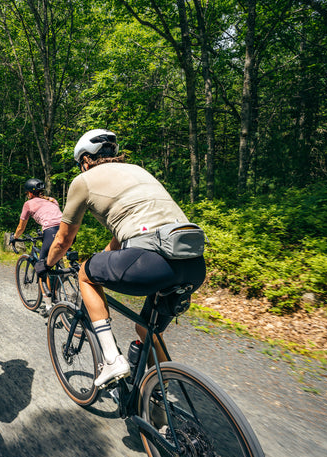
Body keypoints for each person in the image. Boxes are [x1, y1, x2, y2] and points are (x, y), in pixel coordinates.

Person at [39, 129, 206, 388]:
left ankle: (111, 360)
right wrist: (104, 258)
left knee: (85, 273)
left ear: (84, 160)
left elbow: (62, 240)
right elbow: (125, 234)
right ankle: (161, 402)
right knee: (147, 332)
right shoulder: (138, 171)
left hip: (150, 261)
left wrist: (46, 265)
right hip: (193, 264)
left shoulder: (84, 180)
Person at [12, 178, 63, 315]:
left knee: (41, 267)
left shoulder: (28, 204)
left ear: (29, 193)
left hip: (51, 232)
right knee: (56, 261)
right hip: (67, 231)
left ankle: (48, 307)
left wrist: (15, 237)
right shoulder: (52, 200)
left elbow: (21, 227)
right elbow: (54, 218)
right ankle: (59, 289)